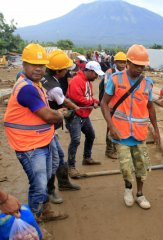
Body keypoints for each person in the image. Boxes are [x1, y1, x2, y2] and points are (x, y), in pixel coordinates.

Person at [4, 43, 68, 222]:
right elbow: (48, 116)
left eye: (42, 65)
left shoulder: (35, 83)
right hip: (30, 146)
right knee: (38, 185)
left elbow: (43, 112)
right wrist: (58, 114)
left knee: (46, 177)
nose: (39, 69)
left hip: (41, 141)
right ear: (24, 64)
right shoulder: (27, 88)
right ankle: (33, 219)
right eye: (34, 64)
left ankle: (44, 209)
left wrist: (55, 114)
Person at [101, 44, 160, 210]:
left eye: (142, 66)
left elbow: (150, 107)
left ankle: (140, 194)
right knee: (126, 167)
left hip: (140, 134)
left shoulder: (147, 83)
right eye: (136, 65)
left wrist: (156, 130)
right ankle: (128, 189)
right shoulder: (116, 79)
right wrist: (111, 126)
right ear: (127, 62)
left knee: (141, 167)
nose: (139, 69)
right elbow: (104, 103)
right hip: (121, 133)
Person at [41, 49, 82, 204]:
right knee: (54, 158)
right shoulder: (55, 87)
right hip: (47, 127)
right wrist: (76, 108)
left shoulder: (45, 77)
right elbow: (64, 101)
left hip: (47, 127)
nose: (67, 71)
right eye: (65, 69)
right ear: (59, 71)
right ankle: (50, 191)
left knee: (58, 156)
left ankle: (63, 183)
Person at [66, 61, 104, 179]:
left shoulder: (88, 81)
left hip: (83, 115)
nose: (96, 77)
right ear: (89, 71)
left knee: (91, 135)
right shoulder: (76, 81)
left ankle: (87, 157)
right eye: (95, 74)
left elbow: (87, 97)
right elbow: (77, 98)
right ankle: (70, 167)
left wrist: (95, 101)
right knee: (76, 140)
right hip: (75, 115)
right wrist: (93, 102)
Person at [99, 51, 127, 159]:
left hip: (121, 105)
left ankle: (116, 148)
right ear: (115, 62)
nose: (122, 65)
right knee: (110, 126)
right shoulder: (109, 73)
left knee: (120, 126)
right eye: (120, 62)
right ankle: (109, 150)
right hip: (110, 105)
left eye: (124, 62)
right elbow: (107, 90)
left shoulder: (126, 72)